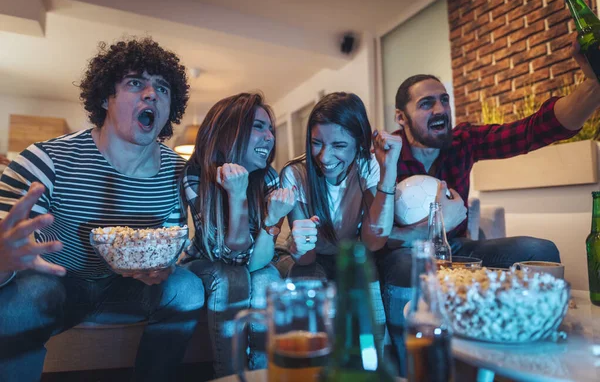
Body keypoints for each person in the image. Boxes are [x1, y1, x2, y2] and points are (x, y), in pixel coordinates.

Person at [377, 38, 600, 375]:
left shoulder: (463, 141)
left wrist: (593, 83)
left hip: (458, 248)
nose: (439, 110)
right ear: (401, 116)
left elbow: (533, 130)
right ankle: (410, 364)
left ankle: (526, 345)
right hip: (404, 252)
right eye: (426, 104)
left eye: (443, 101)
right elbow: (377, 237)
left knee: (538, 249)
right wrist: (435, 225)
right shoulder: (384, 156)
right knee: (404, 263)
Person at [0, 38, 205, 382]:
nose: (151, 94)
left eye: (163, 88)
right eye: (135, 83)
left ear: (171, 108)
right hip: (58, 282)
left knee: (187, 288)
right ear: (106, 97)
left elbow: (168, 244)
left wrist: (160, 268)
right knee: (29, 294)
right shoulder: (45, 160)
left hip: (128, 289)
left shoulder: (177, 172)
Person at [274, 92, 402, 350]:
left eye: (339, 145)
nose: (324, 156)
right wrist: (300, 246)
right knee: (314, 301)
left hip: (349, 253)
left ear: (359, 143)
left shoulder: (367, 166)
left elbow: (374, 241)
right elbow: (307, 258)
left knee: (372, 329)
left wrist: (389, 173)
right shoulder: (295, 173)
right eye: (317, 143)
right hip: (309, 257)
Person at [180, 92, 295, 377]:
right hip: (205, 264)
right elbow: (230, 256)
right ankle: (229, 375)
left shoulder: (269, 177)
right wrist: (237, 195)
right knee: (230, 277)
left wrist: (270, 219)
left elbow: (254, 263)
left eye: (270, 129)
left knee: (268, 278)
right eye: (258, 126)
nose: (269, 137)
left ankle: (263, 375)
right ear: (228, 131)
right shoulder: (195, 174)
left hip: (254, 262)